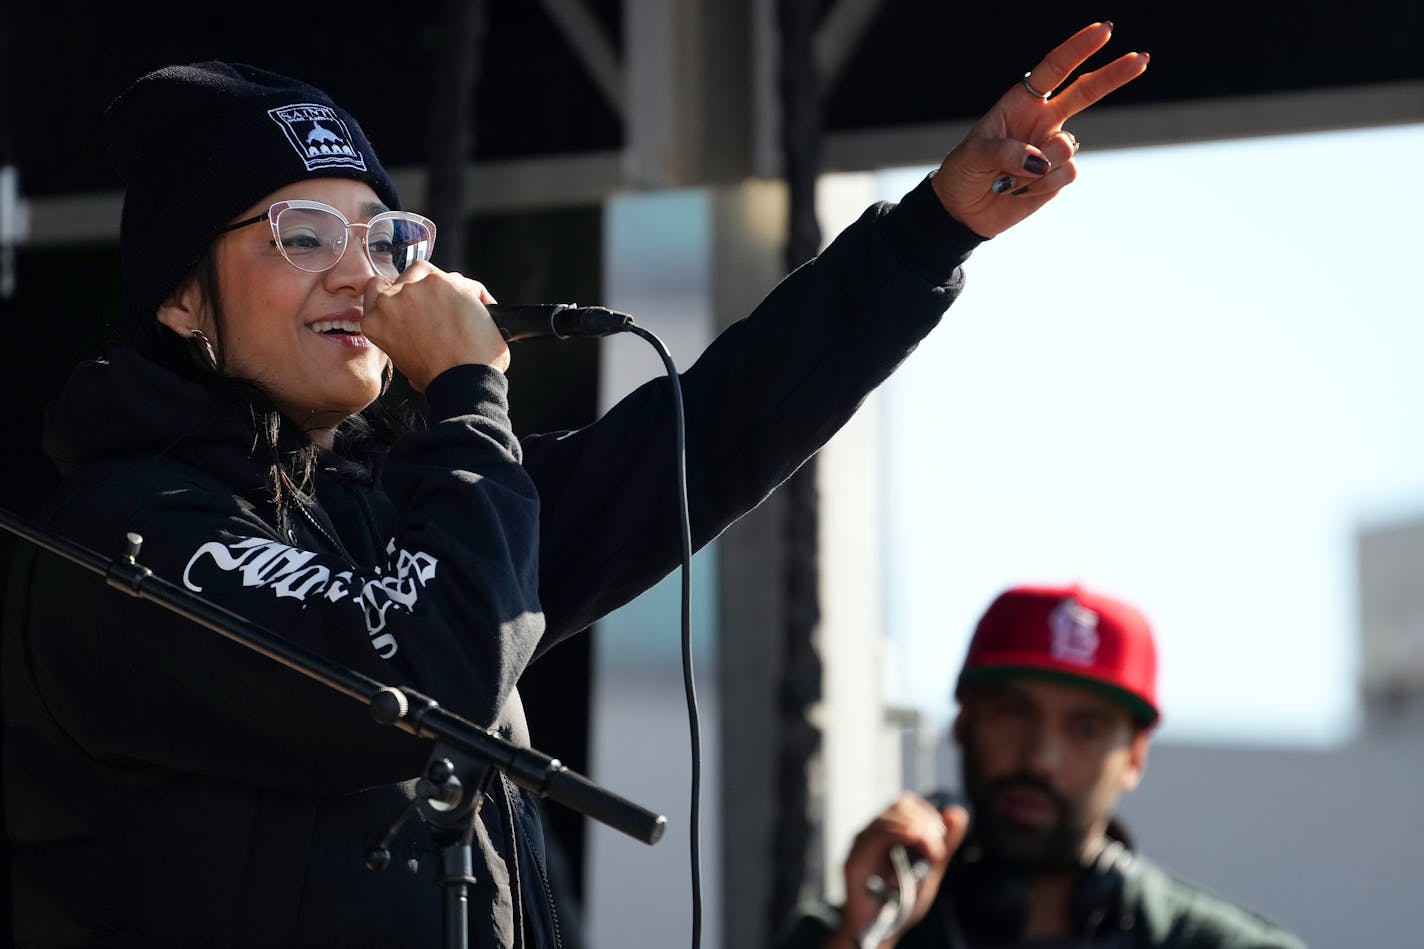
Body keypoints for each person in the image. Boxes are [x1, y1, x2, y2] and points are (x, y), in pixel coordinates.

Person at [1, 23, 1146, 949]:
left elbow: (713, 434)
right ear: (182, 300)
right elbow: (421, 676)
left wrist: (927, 234)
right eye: (300, 236)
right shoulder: (128, 539)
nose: (360, 274)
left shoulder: (403, 500)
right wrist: (461, 386)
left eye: (383, 236)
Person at [774, 583, 1308, 949]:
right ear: (963, 723)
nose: (1040, 758)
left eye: (1085, 728)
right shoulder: (847, 932)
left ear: (1135, 757)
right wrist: (868, 935)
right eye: (1012, 712)